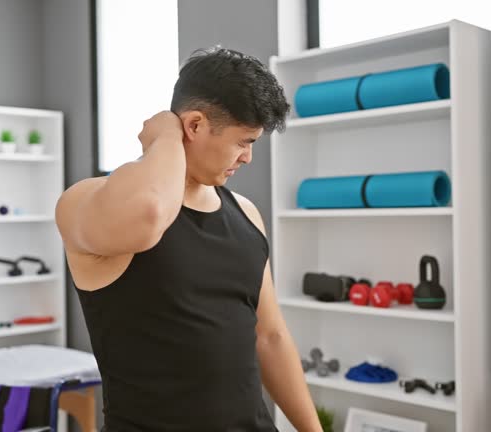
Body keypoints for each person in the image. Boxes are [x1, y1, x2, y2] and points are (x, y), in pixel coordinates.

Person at [56, 47, 321, 432]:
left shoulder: (246, 213)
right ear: (194, 126)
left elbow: (271, 337)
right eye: (242, 141)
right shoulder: (85, 202)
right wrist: (165, 135)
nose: (247, 157)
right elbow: (149, 216)